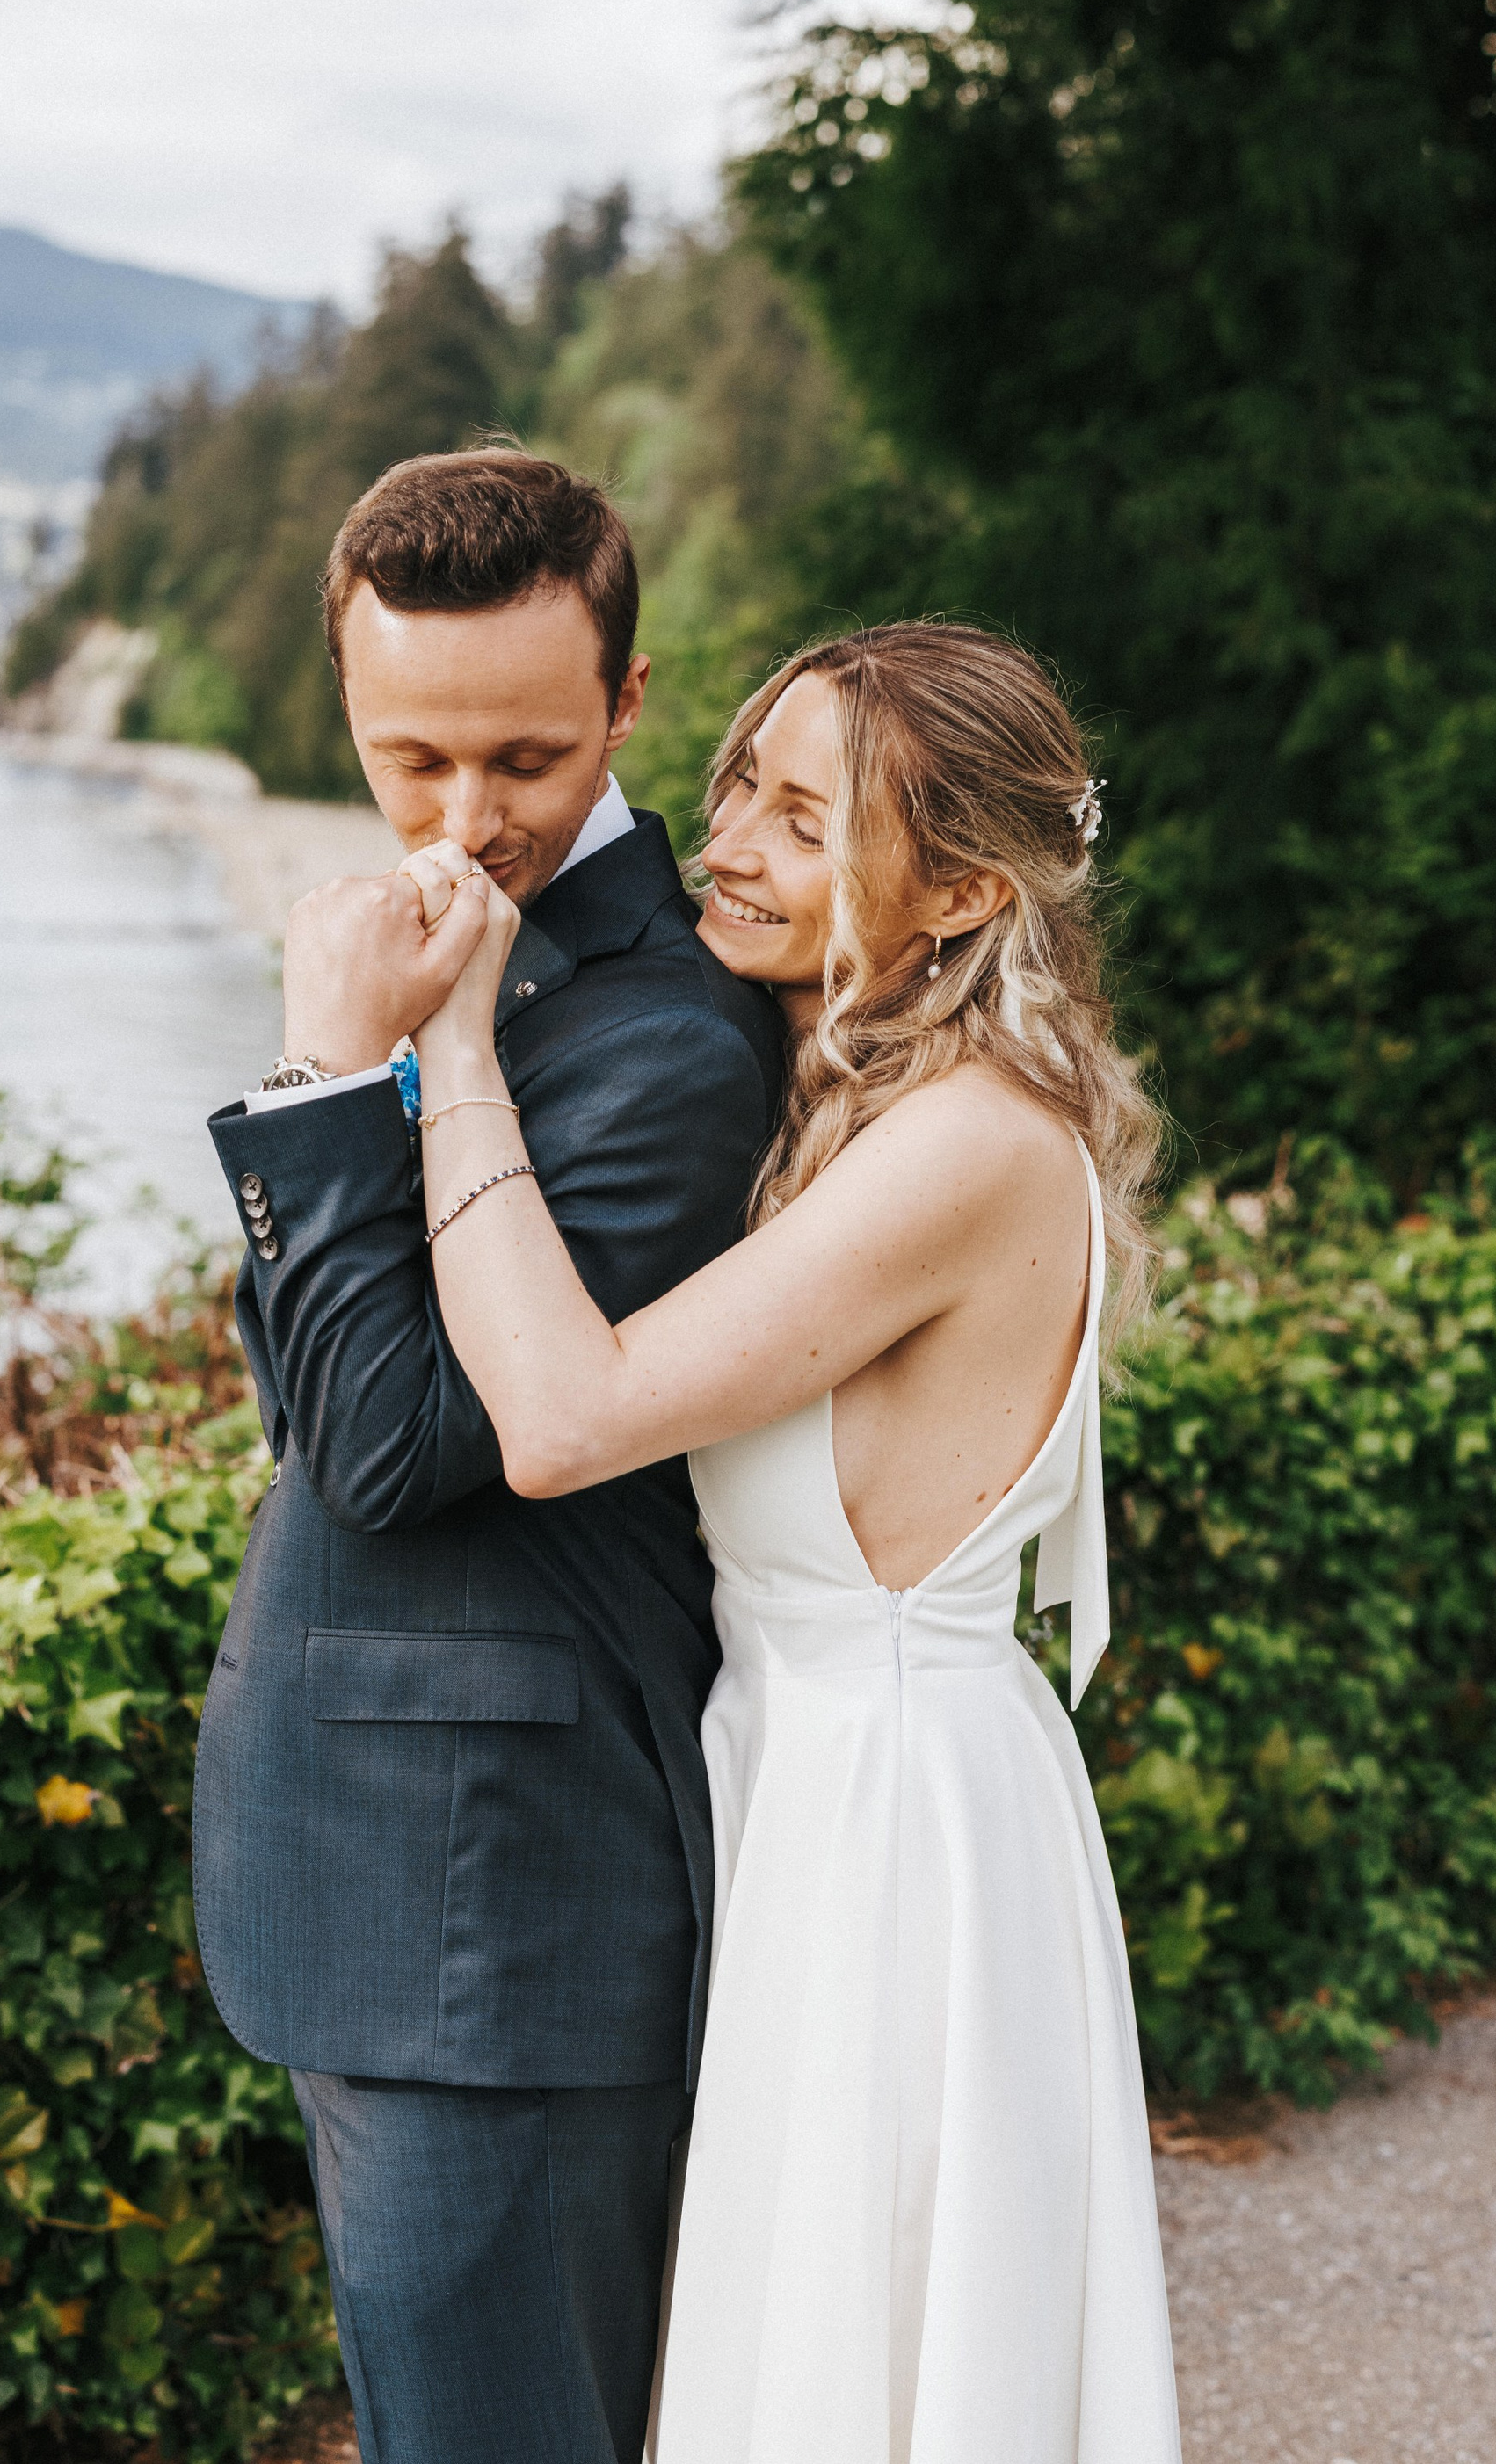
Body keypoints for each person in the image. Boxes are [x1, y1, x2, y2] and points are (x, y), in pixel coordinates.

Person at [392, 621, 1182, 2464]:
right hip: (816, 1779)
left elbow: (569, 1414)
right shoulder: (861, 1102)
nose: (726, 837)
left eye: (804, 817)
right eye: (739, 776)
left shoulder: (970, 1143)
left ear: (966, 886)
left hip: (895, 1824)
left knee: (861, 2356)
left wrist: (445, 1050)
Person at [192, 446, 785, 2464]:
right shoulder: (459, 954)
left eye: (525, 756)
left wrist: (319, 1069)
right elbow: (304, 1366)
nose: (463, 823)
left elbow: (376, 1440)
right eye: (408, 755)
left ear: (627, 705)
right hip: (393, 1893)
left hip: (499, 1919)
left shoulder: (670, 1039)